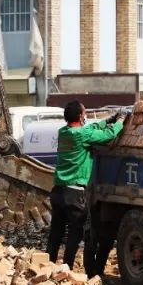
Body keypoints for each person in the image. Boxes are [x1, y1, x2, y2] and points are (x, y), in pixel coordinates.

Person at [48, 101, 123, 268]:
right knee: (75, 233)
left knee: (56, 232)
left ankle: (48, 265)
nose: (86, 116)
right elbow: (108, 135)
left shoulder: (64, 132)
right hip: (74, 193)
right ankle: (66, 267)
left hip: (58, 191)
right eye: (84, 113)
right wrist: (120, 122)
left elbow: (91, 128)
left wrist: (108, 119)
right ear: (80, 116)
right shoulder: (82, 135)